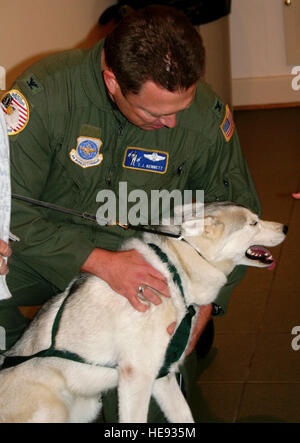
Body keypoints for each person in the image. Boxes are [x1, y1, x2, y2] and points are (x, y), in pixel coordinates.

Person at [0, 5, 260, 421]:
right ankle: (24, 368)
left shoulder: (207, 120)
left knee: (149, 405)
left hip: (149, 266)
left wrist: (206, 305)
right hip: (44, 250)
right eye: (156, 113)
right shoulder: (45, 94)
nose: (174, 123)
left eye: (182, 106)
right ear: (112, 81)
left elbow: (239, 214)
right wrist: (101, 263)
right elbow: (10, 210)